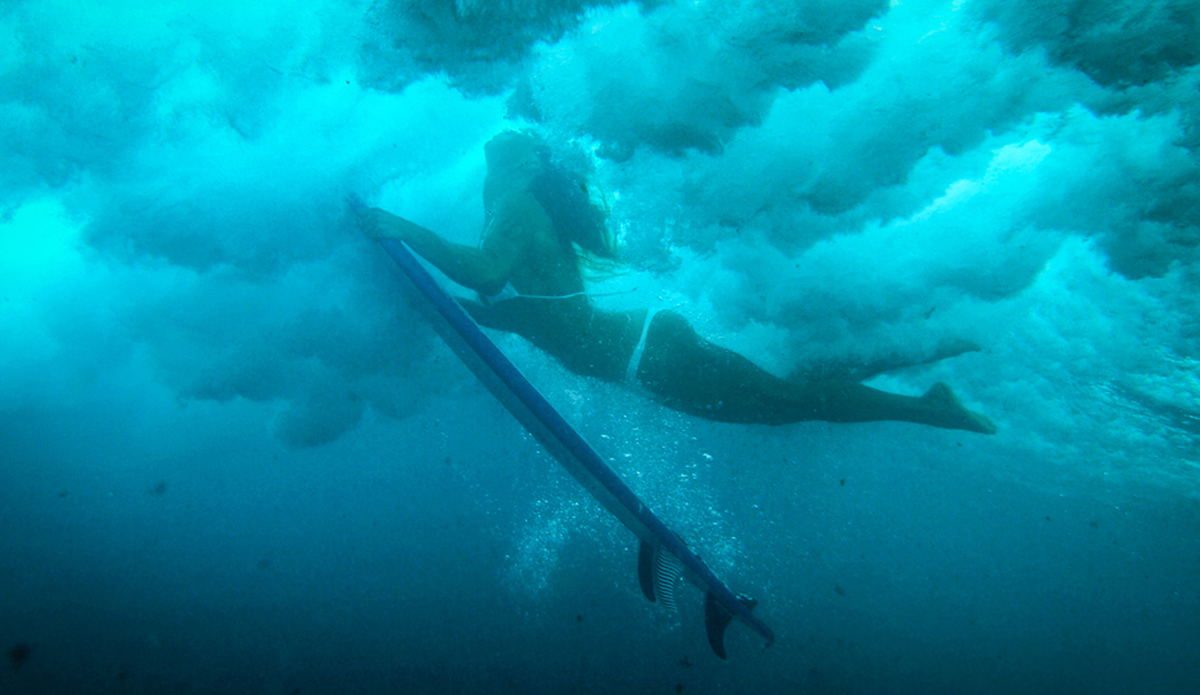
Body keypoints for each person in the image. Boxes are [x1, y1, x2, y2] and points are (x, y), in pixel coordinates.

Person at [355, 131, 996, 434]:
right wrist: (456, 310)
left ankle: (927, 406)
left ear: (512, 169)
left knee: (789, 403)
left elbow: (486, 272)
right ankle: (918, 399)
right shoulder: (530, 215)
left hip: (650, 355)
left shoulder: (517, 204)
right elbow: (532, 309)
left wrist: (401, 228)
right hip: (646, 358)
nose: (486, 185)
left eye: (492, 169)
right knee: (782, 411)